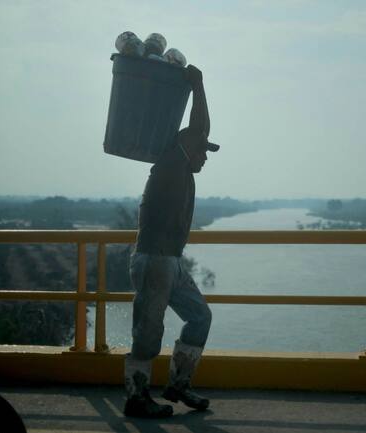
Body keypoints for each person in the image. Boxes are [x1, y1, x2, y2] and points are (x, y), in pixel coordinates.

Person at [123, 64, 220, 418]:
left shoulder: (181, 169)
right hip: (154, 261)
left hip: (171, 262)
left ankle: (178, 384)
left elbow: (200, 133)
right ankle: (136, 398)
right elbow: (199, 127)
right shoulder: (171, 165)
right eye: (202, 150)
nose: (205, 156)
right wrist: (198, 85)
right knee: (148, 334)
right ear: (187, 147)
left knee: (200, 317)